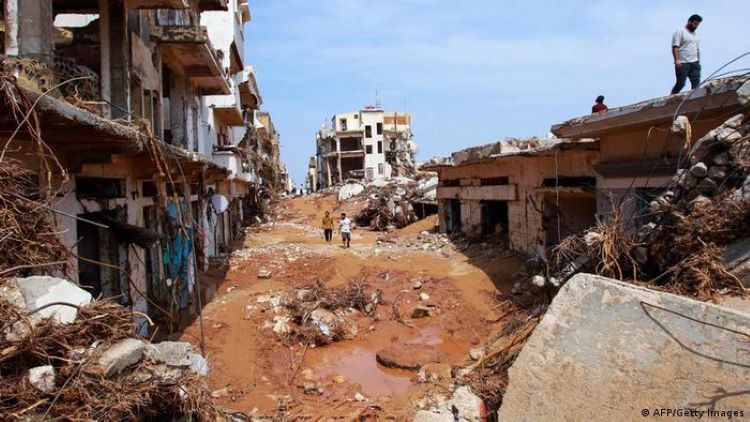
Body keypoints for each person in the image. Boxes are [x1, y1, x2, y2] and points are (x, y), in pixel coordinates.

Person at [671, 14, 702, 94]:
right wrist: (677, 60)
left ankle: (695, 101)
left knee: (696, 85)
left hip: (694, 63)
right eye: (695, 24)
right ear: (689, 22)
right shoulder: (680, 32)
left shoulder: (696, 35)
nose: (696, 26)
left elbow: (697, 48)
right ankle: (671, 98)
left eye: (697, 25)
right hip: (683, 63)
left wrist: (698, 60)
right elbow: (675, 46)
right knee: (681, 83)